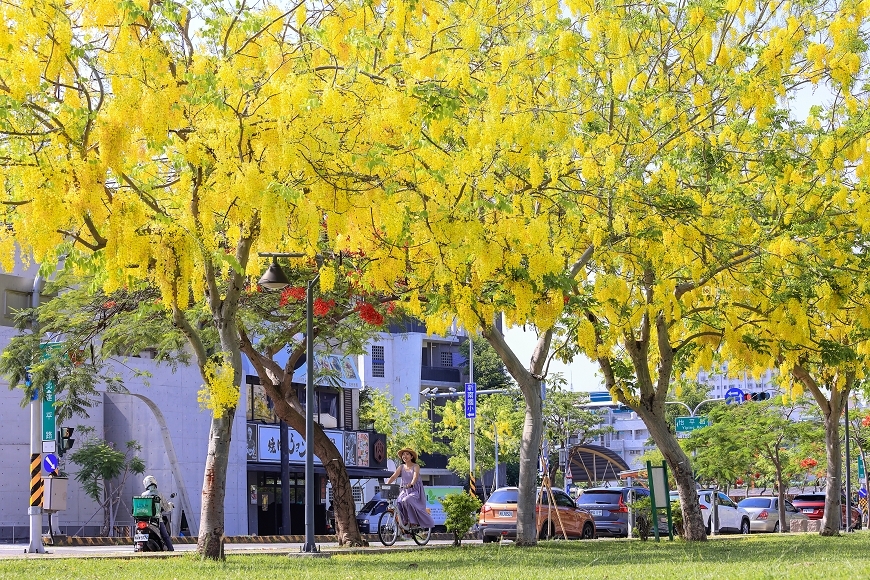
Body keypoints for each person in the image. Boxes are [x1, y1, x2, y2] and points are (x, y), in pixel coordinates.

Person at [385, 447, 435, 535]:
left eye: (407, 454)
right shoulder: (401, 467)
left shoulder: (416, 466)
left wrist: (411, 483)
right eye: (403, 455)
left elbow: (415, 476)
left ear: (412, 457)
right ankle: (404, 521)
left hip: (415, 491)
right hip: (404, 490)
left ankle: (414, 521)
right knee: (399, 501)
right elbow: (394, 476)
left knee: (406, 500)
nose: (405, 456)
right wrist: (387, 484)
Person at [142, 475, 175, 551]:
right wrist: (171, 505)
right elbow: (166, 508)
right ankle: (171, 551)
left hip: (144, 520)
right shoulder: (159, 494)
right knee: (165, 536)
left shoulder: (143, 495)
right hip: (157, 520)